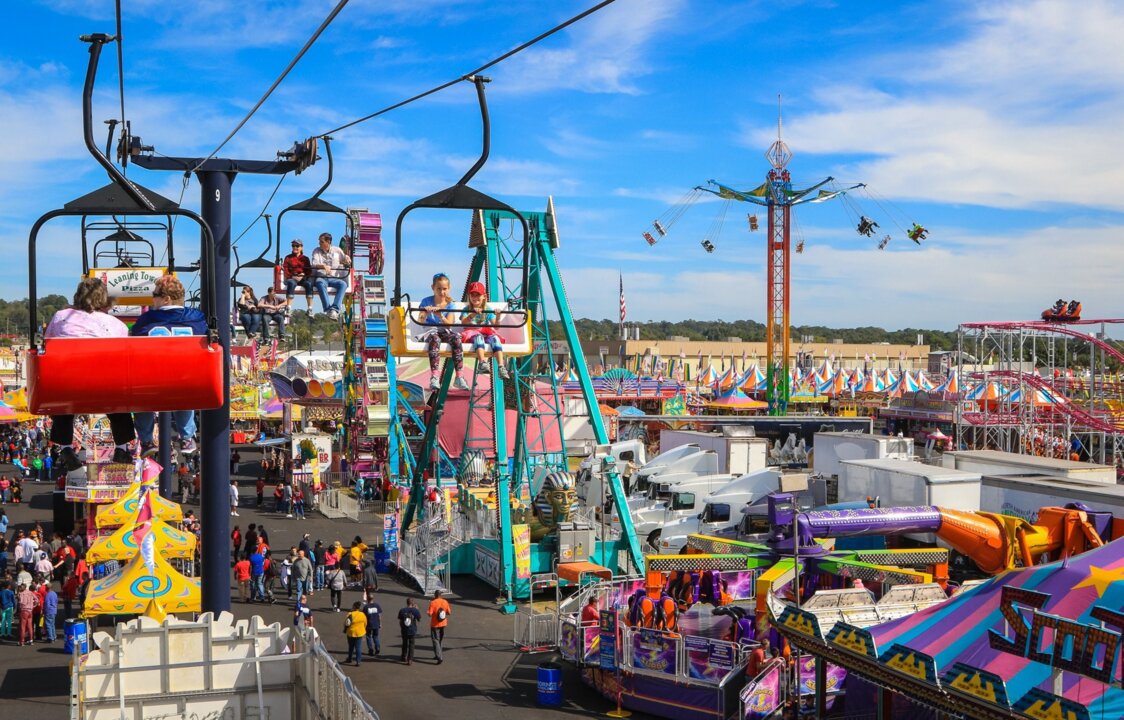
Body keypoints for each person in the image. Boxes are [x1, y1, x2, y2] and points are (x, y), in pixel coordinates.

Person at [46, 278, 138, 469]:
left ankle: (65, 447)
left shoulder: (61, 317)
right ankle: (121, 447)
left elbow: (48, 342)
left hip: (69, 382)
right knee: (119, 407)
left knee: (63, 406)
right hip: (104, 385)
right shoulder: (116, 325)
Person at [131, 275, 207, 455]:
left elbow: (135, 339)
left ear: (166, 299)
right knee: (184, 395)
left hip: (153, 378)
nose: (152, 299)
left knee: (141, 399)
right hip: (186, 377)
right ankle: (187, 437)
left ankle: (147, 440)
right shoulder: (196, 317)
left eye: (155, 294)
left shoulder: (147, 319)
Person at [417, 273, 468, 391]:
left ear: (449, 289)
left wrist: (440, 315)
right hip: (430, 330)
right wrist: (426, 312)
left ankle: (459, 376)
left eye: (444, 289)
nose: (442, 292)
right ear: (433, 288)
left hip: (444, 330)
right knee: (435, 339)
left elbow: (449, 324)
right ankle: (434, 376)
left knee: (456, 338)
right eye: (438, 288)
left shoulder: (450, 304)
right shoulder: (426, 301)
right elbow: (420, 320)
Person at [460, 281, 510, 380]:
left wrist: (498, 316)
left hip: (486, 333)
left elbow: (496, 326)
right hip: (472, 333)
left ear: (483, 296)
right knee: (479, 338)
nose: (475, 297)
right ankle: (482, 362)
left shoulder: (487, 309)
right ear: (469, 296)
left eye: (478, 295)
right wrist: (472, 314)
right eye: (472, 295)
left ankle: (501, 366)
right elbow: (464, 322)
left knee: (495, 338)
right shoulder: (467, 309)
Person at [310, 232, 352, 319]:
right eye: (319, 241)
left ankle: (335, 309)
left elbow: (344, 259)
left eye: (321, 241)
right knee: (319, 282)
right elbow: (314, 264)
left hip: (333, 278)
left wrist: (347, 259)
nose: (319, 243)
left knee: (343, 284)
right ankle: (328, 309)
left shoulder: (337, 250)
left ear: (328, 242)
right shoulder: (316, 251)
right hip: (322, 277)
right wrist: (323, 266)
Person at [281, 239, 314, 316]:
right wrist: (292, 276)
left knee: (309, 284)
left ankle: (310, 308)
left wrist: (303, 275)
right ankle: (288, 308)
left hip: (302, 278)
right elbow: (285, 269)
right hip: (292, 277)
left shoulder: (305, 259)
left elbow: (308, 271)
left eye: (297, 246)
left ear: (301, 247)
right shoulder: (288, 258)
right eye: (293, 246)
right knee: (291, 283)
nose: (295, 247)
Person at [427, 589, 451, 664]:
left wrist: (428, 612)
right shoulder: (445, 602)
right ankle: (437, 654)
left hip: (435, 624)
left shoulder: (433, 602)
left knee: (435, 640)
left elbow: (430, 614)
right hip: (443, 623)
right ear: (441, 595)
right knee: (440, 639)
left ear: (435, 595)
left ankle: (439, 657)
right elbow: (449, 612)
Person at [398, 597, 422, 665]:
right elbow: (419, 619)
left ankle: (403, 656)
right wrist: (417, 609)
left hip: (404, 629)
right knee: (411, 645)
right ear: (412, 603)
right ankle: (410, 659)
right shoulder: (415, 610)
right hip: (412, 630)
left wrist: (402, 628)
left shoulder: (402, 610)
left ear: (407, 603)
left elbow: (400, 621)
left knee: (404, 643)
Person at [344, 600, 367, 666]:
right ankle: (358, 661)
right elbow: (365, 623)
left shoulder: (350, 614)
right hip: (359, 633)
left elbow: (346, 623)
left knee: (351, 647)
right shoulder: (362, 614)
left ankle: (349, 658)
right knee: (358, 647)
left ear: (354, 607)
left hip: (351, 633)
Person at [363, 592, 383, 657]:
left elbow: (364, 617)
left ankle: (370, 650)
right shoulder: (377, 606)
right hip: (376, 623)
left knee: (368, 637)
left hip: (368, 624)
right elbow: (379, 616)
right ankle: (377, 648)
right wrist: (380, 623)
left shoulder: (366, 607)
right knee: (375, 636)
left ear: (367, 599)